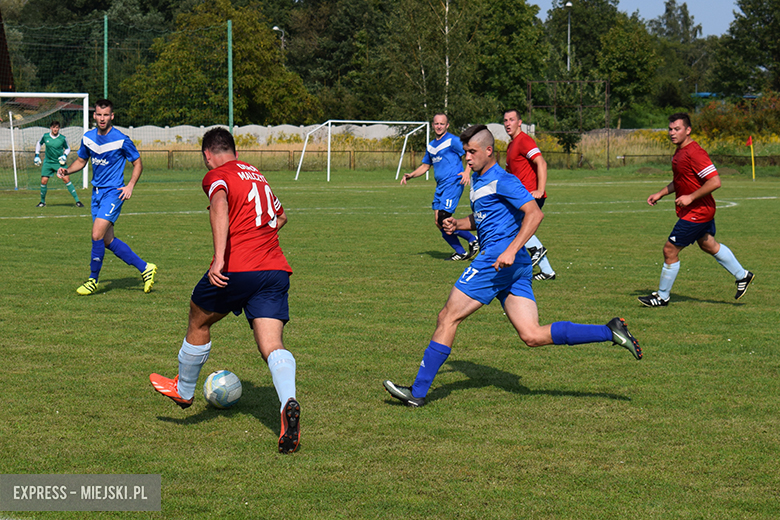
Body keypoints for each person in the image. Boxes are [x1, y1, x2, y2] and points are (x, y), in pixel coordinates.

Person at [383, 125, 641, 408]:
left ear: (488, 151)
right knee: (532, 335)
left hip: (496, 262)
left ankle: (417, 392)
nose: (466, 158)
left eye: (471, 152)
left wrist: (510, 249)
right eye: (465, 152)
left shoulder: (503, 179)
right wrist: (459, 223)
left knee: (447, 317)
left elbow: (534, 214)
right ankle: (610, 330)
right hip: (513, 266)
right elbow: (485, 218)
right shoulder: (480, 181)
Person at [150, 128, 301, 454]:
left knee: (198, 318)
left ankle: (185, 389)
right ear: (233, 148)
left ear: (207, 154)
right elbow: (282, 216)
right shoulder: (256, 174)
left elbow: (219, 204)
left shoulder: (218, 175)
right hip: (274, 269)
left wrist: (220, 258)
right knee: (272, 344)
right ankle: (288, 401)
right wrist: (259, 236)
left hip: (237, 268)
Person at [638, 113, 754, 307]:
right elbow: (681, 181)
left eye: (677, 129)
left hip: (698, 212)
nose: (672, 133)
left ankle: (662, 296)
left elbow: (715, 181)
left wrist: (691, 197)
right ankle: (742, 275)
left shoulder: (694, 152)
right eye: (670, 129)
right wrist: (661, 193)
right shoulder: (680, 152)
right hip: (701, 210)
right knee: (708, 245)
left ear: (688, 130)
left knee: (670, 250)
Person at [58, 99, 157, 296]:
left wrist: (130, 185)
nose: (102, 118)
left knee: (96, 235)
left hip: (114, 193)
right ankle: (146, 268)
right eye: (99, 115)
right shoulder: (88, 138)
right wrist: (67, 169)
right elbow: (81, 160)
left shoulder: (121, 139)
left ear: (112, 116)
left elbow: (138, 163)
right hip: (97, 194)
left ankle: (92, 280)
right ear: (94, 116)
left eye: (106, 115)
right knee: (106, 240)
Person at [400, 113, 479, 261]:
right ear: (433, 125)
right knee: (438, 222)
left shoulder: (453, 141)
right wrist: (411, 175)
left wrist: (467, 172)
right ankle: (460, 252)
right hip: (440, 187)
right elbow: (425, 166)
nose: (439, 126)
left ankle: (473, 240)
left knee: (444, 218)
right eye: (436, 123)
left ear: (447, 125)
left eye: (442, 124)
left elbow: (470, 153)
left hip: (453, 183)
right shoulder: (431, 145)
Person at [503, 109, 555, 280]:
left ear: (519, 122)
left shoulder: (524, 141)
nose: (508, 123)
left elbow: (541, 163)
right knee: (516, 226)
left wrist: (540, 189)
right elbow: (509, 172)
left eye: (511, 120)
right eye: (505, 120)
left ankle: (536, 249)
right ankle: (547, 271)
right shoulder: (511, 145)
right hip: (519, 196)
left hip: (530, 196)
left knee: (514, 226)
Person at [34, 121, 83, 207]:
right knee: (43, 181)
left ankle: (77, 201)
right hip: (48, 162)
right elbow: (39, 143)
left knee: (66, 179)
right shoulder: (45, 136)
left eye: (57, 127)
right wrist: (37, 155)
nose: (55, 129)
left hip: (59, 163)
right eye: (53, 127)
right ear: (51, 128)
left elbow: (68, 148)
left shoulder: (62, 138)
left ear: (59, 128)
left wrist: (64, 155)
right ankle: (42, 202)